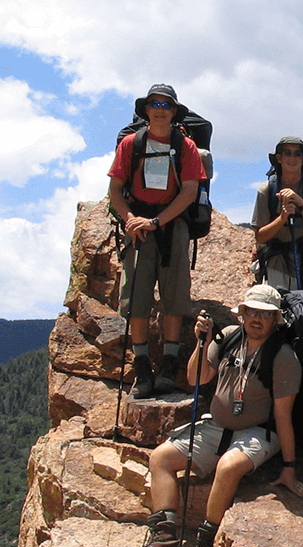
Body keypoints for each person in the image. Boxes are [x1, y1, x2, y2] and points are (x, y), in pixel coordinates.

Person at [127, 285, 303, 547]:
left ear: (276, 319)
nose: (256, 319)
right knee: (160, 458)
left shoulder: (283, 356)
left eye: (265, 314)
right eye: (251, 312)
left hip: (257, 432)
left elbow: (283, 415)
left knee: (227, 467)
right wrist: (203, 342)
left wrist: (288, 466)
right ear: (242, 313)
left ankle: (205, 545)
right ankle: (164, 537)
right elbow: (198, 378)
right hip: (216, 425)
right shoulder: (229, 337)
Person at [108, 84, 207, 398]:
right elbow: (115, 190)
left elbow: (189, 192)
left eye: (166, 104)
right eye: (155, 103)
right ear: (146, 109)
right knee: (137, 297)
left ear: (174, 111)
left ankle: (168, 363)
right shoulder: (131, 144)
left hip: (170, 226)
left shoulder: (186, 146)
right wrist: (130, 220)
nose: (160, 109)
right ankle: (141, 367)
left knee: (174, 296)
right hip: (137, 225)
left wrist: (154, 221)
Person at [251, 136, 303, 297]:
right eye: (287, 153)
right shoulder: (266, 190)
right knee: (278, 316)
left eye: (297, 154)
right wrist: (282, 218)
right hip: (277, 263)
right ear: (279, 158)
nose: (292, 158)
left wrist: (302, 206)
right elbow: (260, 236)